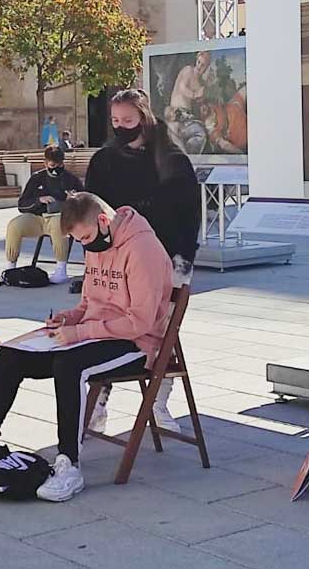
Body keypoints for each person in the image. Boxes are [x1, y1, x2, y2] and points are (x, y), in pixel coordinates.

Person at [0, 193, 173, 502]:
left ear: (103, 221)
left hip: (136, 343)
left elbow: (140, 322)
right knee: (11, 355)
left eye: (87, 238)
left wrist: (79, 332)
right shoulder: (98, 241)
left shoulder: (143, 249)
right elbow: (90, 302)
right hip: (94, 334)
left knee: (70, 366)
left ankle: (69, 464)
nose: (86, 246)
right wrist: (67, 319)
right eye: (79, 241)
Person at [83, 88, 201, 434]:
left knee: (161, 334)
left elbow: (189, 215)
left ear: (145, 118)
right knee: (105, 328)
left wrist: (182, 263)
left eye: (129, 121)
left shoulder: (172, 159)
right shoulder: (104, 161)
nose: (121, 127)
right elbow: (93, 212)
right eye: (115, 121)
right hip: (114, 261)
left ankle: (159, 402)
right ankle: (98, 403)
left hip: (164, 260)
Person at [3, 145, 83, 283]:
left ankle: (61, 269)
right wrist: (39, 200)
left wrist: (73, 200)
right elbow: (22, 204)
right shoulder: (37, 178)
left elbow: (84, 203)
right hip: (39, 218)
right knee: (15, 225)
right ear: (46, 163)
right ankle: (10, 267)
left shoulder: (71, 180)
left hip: (61, 218)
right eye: (53, 164)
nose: (56, 167)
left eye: (59, 164)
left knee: (58, 224)